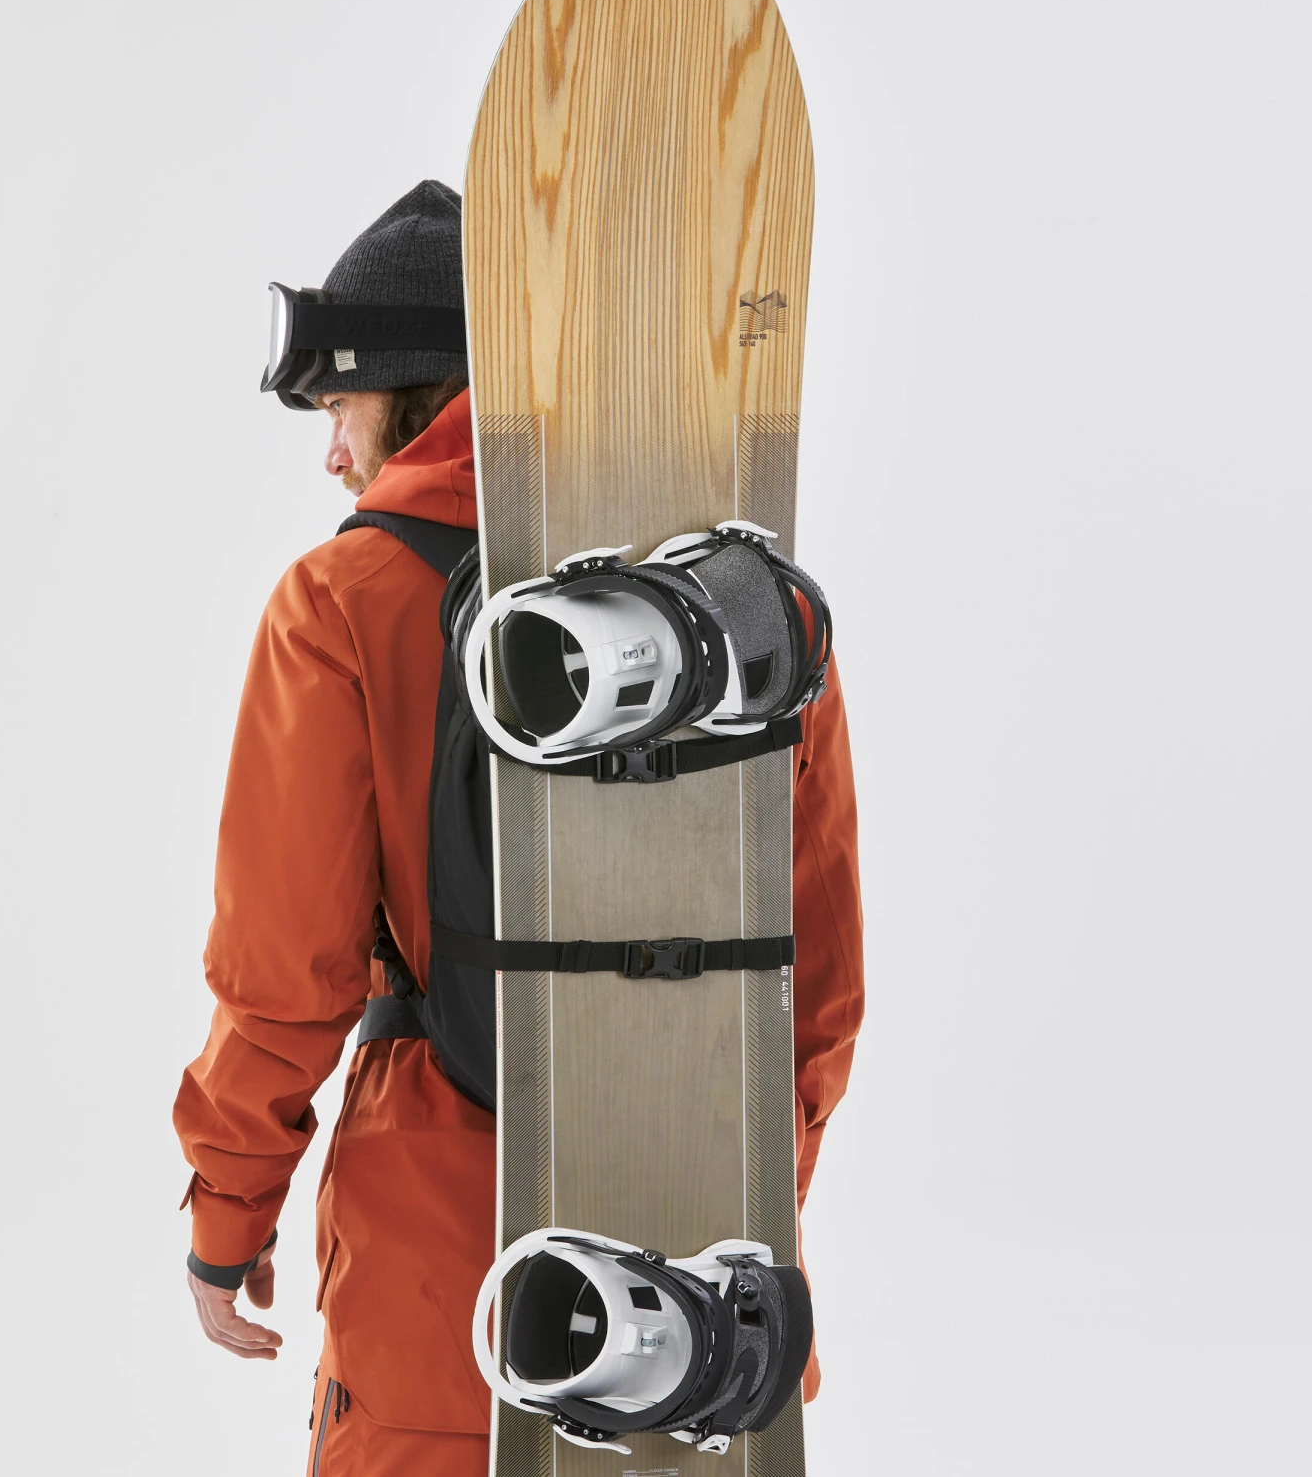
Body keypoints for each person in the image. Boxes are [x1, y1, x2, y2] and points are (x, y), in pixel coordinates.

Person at [173, 179, 865, 1476]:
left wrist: (227, 1213)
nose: (333, 454)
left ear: (414, 391)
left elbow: (283, 977)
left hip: (453, 1307)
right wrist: (749, 1194)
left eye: (338, 410)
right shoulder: (742, 615)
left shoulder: (340, 600)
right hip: (701, 1326)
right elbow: (816, 983)